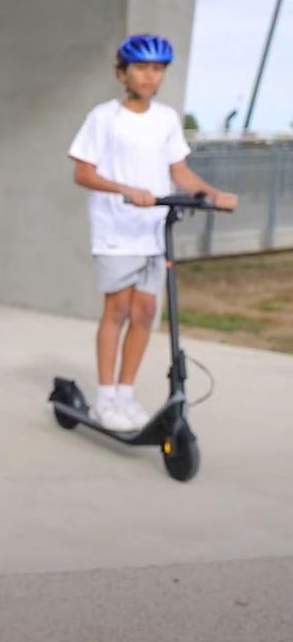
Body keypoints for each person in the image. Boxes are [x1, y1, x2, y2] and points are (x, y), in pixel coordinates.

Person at [68, 34, 237, 432]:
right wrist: (125, 190)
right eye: (142, 68)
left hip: (153, 231)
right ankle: (104, 398)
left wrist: (210, 195)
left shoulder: (166, 119)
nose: (150, 76)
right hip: (116, 229)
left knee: (145, 313)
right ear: (122, 73)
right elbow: (83, 172)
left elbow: (178, 171)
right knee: (119, 309)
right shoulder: (103, 118)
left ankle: (126, 395)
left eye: (157, 69)